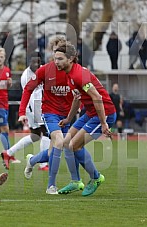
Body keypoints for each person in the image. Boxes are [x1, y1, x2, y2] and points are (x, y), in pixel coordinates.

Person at [54, 41, 116, 196]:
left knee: (74, 145)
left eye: (60, 59)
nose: (56, 62)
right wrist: (69, 119)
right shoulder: (69, 74)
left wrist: (103, 123)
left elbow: (97, 97)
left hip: (103, 113)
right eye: (55, 58)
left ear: (70, 59)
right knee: (67, 142)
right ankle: (75, 181)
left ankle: (96, 178)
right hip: (90, 112)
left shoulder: (78, 74)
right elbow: (77, 98)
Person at [18, 37, 74, 194]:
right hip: (49, 112)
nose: (57, 57)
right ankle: (51, 185)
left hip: (66, 115)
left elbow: (81, 91)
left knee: (53, 151)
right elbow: (28, 89)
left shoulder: (74, 70)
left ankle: (32, 160)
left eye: (61, 53)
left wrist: (81, 106)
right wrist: (22, 112)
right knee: (60, 141)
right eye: (55, 51)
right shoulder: (44, 70)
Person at [2, 52, 50, 171]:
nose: (36, 64)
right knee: (46, 132)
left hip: (37, 106)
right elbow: (30, 95)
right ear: (29, 63)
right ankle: (43, 164)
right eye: (33, 62)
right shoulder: (26, 76)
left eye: (38, 61)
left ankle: (8, 153)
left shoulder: (41, 70)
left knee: (35, 136)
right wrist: (32, 112)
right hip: (33, 107)